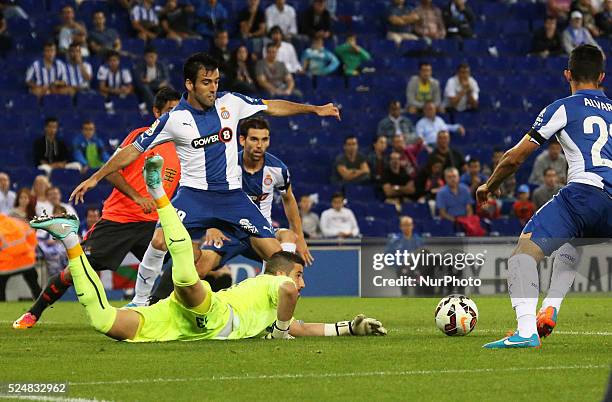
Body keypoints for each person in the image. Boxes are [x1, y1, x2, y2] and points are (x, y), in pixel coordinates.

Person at [69, 53, 339, 303]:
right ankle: (139, 302)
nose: (213, 88)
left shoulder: (231, 103)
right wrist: (97, 177)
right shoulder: (174, 119)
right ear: (189, 84)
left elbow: (272, 107)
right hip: (193, 195)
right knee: (160, 240)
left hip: (233, 197)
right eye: (206, 82)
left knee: (279, 257)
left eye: (216, 81)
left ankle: (276, 319)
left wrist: (314, 109)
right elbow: (133, 149)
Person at [30, 164, 386, 341]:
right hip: (214, 316)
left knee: (105, 322)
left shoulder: (272, 308)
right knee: (186, 275)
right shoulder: (275, 286)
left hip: (178, 325)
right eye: (299, 273)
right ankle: (160, 195)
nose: (302, 283)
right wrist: (278, 333)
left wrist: (350, 328)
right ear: (279, 273)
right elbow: (291, 294)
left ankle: (71, 242)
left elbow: (304, 326)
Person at [477, 45, 611, 349]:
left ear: (568, 75)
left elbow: (516, 158)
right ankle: (550, 307)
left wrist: (490, 184)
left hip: (585, 192)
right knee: (574, 242)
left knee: (524, 253)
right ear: (602, 76)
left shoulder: (564, 107)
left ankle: (525, 331)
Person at [13, 88, 182, 329]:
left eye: (177, 112)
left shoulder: (184, 148)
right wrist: (136, 197)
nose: (172, 118)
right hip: (119, 220)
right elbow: (111, 170)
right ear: (156, 113)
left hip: (153, 225)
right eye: (168, 111)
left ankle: (149, 311)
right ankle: (34, 312)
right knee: (76, 271)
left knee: (184, 264)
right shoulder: (142, 136)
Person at [149, 117, 315, 303]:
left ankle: (274, 306)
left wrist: (300, 238)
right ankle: (162, 302)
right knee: (200, 268)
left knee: (288, 246)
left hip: (261, 233)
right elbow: (207, 196)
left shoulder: (277, 169)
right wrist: (212, 227)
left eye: (264, 139)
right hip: (229, 233)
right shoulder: (225, 165)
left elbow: (289, 200)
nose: (260, 145)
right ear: (242, 140)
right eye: (254, 139)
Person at [0, 214, 41, 302]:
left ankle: (2, 308)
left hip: (7, 265)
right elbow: (33, 239)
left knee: (1, 288)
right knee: (34, 285)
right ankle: (43, 304)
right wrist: (29, 253)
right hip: (26, 261)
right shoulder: (18, 223)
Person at [133, 46, 170, 112]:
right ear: (145, 57)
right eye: (148, 57)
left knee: (168, 87)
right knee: (145, 87)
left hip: (158, 86)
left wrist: (153, 81)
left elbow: (166, 78)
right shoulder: (140, 67)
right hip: (146, 87)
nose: (150, 59)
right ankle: (155, 107)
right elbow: (139, 80)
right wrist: (152, 82)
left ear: (156, 57)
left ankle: (174, 108)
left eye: (152, 56)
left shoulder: (161, 66)